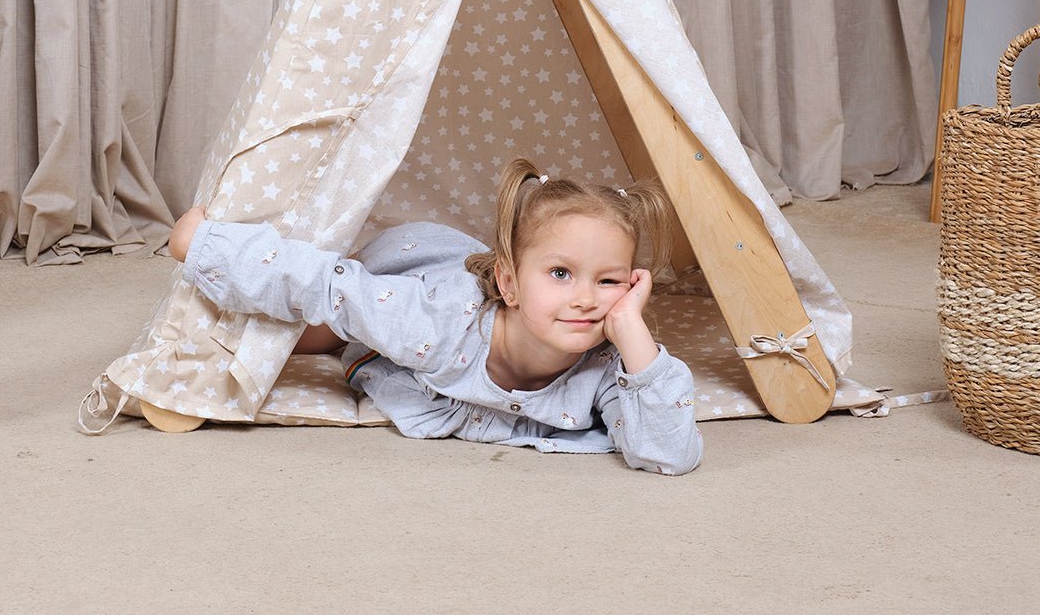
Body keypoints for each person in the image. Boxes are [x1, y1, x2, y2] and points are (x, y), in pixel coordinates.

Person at [169, 157, 702, 474]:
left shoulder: (612, 364)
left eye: (609, 281)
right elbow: (330, 285)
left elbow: (668, 454)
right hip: (411, 262)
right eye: (561, 273)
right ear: (510, 284)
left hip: (460, 282)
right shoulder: (435, 322)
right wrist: (204, 246)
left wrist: (633, 331)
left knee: (330, 335)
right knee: (313, 332)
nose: (587, 299)